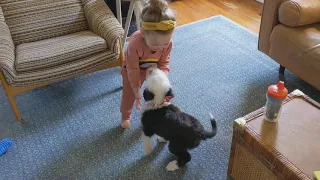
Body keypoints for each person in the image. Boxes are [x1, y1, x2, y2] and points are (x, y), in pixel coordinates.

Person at [120, 0, 176, 129]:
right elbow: (132, 69)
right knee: (129, 95)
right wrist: (136, 89)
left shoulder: (168, 43)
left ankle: (154, 112)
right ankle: (125, 116)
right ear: (144, 33)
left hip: (153, 69)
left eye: (165, 44)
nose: (161, 47)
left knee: (159, 93)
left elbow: (164, 62)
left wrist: (162, 79)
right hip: (133, 69)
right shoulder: (134, 44)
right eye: (156, 45)